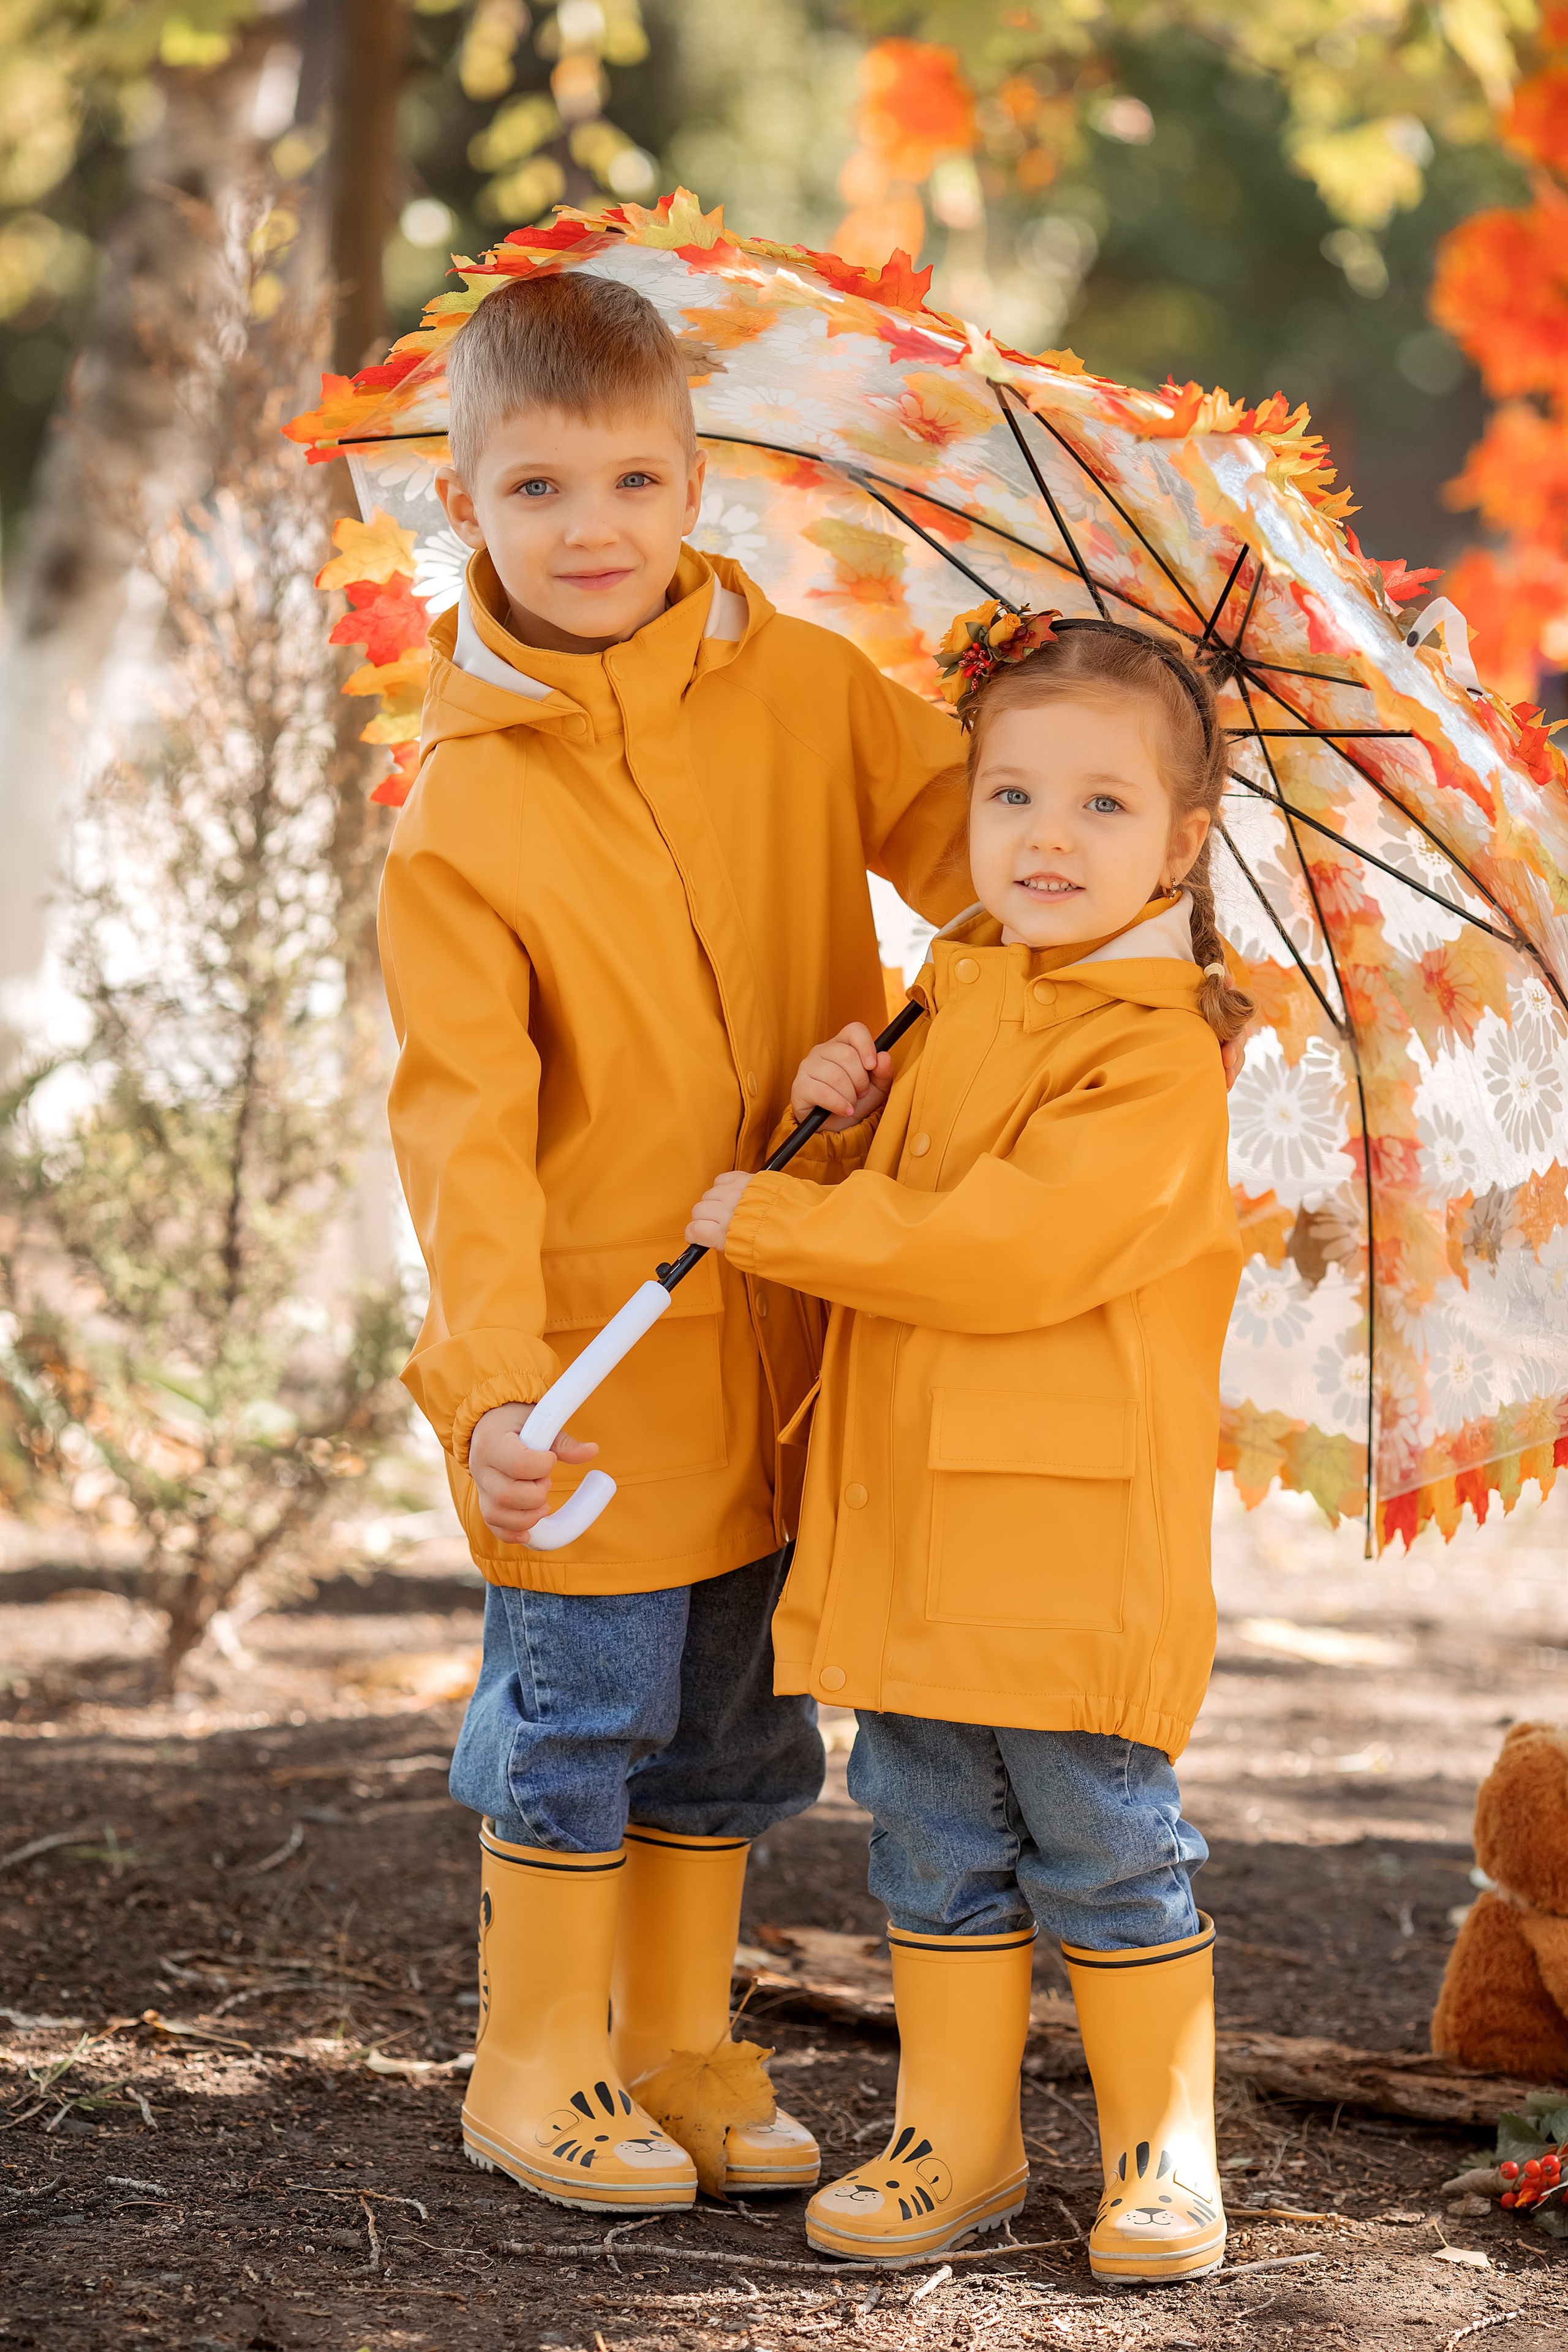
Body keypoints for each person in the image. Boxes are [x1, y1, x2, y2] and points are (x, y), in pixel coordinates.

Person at [377, 268, 979, 2212]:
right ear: (463, 496)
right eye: (540, 488)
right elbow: (460, 1130)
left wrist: (1096, 768)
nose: (595, 530)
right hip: (590, 1359)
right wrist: (486, 1389)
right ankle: (535, 2057)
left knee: (736, 1724)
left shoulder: (799, 686)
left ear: (697, 478)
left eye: (635, 481)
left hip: (788, 1317)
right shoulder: (466, 807)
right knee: (581, 1711)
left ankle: (670, 2042)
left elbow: (984, 853)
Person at [686, 605, 1251, 2278]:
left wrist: (790, 1224)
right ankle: (957, 2135)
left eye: (1101, 805)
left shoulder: (1160, 1056)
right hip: (916, 1517)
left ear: (1182, 841)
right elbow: (911, 1208)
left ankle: (1165, 2150)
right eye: (1011, 797)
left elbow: (1005, 1248)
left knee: (1103, 1839)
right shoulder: (951, 991)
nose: (1048, 838)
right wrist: (841, 1115)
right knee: (929, 1832)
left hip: (1065, 1544)